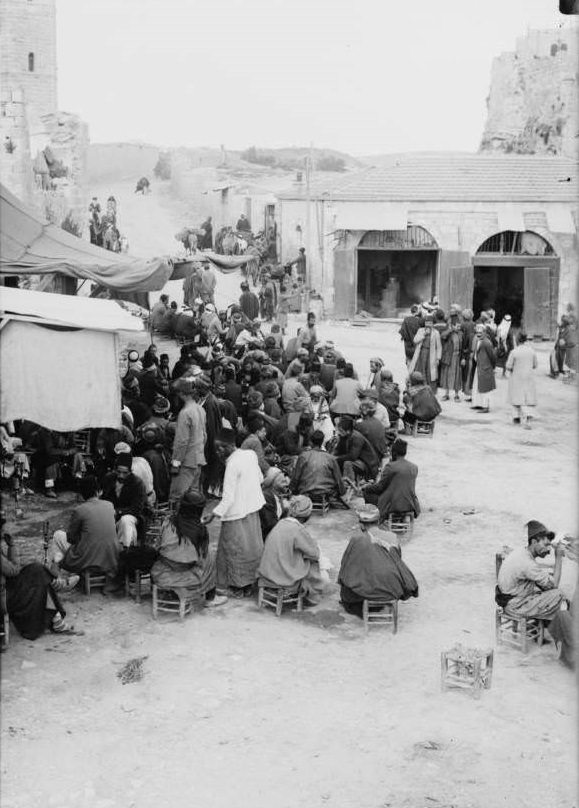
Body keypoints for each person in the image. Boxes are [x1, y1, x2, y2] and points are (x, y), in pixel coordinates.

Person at [204, 430, 265, 596]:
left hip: (236, 514)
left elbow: (228, 498)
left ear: (231, 445)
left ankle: (235, 587)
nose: (218, 452)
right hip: (252, 509)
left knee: (232, 550)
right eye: (216, 449)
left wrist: (213, 514)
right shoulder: (250, 455)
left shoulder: (231, 465)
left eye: (221, 448)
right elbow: (260, 478)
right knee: (251, 548)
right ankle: (251, 582)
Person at [1, 521, 78, 638]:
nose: (3, 532)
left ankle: (57, 618)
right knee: (37, 571)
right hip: (6, 595)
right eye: (2, 530)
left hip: (7, 588)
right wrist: (12, 545)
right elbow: (14, 570)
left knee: (39, 575)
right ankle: (57, 584)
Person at [150, 491, 227, 607]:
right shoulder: (201, 531)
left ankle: (168, 592)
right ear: (199, 510)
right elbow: (199, 557)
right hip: (187, 579)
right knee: (209, 555)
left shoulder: (168, 521)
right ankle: (210, 597)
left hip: (161, 575)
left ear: (182, 506)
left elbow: (158, 546)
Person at [338, 509, 418, 618]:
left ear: (361, 525)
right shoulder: (392, 537)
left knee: (348, 584)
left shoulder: (357, 539)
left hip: (364, 591)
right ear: (378, 521)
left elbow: (346, 565)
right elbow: (397, 560)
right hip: (391, 589)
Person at [47, 475, 119, 582]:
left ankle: (55, 576)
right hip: (111, 557)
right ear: (98, 491)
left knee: (58, 535)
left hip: (88, 559)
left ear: (81, 494)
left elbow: (71, 538)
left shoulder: (80, 510)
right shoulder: (110, 505)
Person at [257, 495, 324, 604]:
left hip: (267, 574)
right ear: (307, 514)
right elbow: (315, 553)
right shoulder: (297, 530)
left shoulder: (280, 523)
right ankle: (312, 596)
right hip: (283, 579)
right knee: (313, 562)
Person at [496, 520, 566, 621]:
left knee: (543, 589)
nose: (549, 549)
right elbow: (554, 585)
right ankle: (549, 628)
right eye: (546, 545)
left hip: (510, 598)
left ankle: (546, 625)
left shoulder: (521, 551)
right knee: (559, 595)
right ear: (534, 542)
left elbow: (533, 573)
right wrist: (558, 557)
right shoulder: (528, 564)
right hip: (515, 607)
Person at [361, 438, 420, 523]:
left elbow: (380, 488)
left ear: (394, 453)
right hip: (410, 504)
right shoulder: (414, 467)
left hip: (394, 504)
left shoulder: (391, 467)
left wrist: (368, 487)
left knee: (367, 492)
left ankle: (374, 518)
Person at [170, 378, 207, 502]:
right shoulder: (200, 409)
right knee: (193, 500)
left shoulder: (185, 413)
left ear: (181, 394)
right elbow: (204, 436)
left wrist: (176, 463)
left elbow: (182, 442)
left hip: (186, 462)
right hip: (198, 460)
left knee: (177, 499)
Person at [101, 453, 147, 548]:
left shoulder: (138, 483)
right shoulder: (109, 478)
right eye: (119, 472)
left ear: (130, 471)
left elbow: (137, 509)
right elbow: (103, 498)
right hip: (109, 515)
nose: (121, 476)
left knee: (125, 521)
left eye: (125, 473)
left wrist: (117, 512)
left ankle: (126, 550)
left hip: (131, 516)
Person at [290, 429, 346, 501]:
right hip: (326, 492)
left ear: (310, 442)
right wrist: (342, 492)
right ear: (322, 442)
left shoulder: (303, 456)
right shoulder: (330, 458)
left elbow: (296, 478)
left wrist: (292, 491)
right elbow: (338, 480)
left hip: (306, 491)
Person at [333, 416, 379, 484]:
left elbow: (352, 456)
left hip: (367, 463)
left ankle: (349, 484)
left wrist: (337, 458)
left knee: (347, 463)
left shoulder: (357, 437)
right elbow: (338, 450)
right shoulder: (343, 436)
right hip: (357, 460)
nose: (339, 432)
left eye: (341, 430)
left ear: (348, 431)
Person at [505, 333, 538, 429]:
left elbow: (508, 366)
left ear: (518, 340)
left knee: (516, 397)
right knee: (527, 398)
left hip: (517, 377)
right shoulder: (531, 351)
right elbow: (535, 365)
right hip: (528, 377)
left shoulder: (514, 352)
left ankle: (516, 417)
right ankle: (528, 417)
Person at [409, 314, 442, 392]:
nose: (428, 324)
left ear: (433, 324)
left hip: (431, 354)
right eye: (427, 322)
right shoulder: (421, 330)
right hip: (421, 353)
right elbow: (415, 340)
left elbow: (439, 346)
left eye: (430, 323)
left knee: (430, 372)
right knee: (420, 369)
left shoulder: (436, 332)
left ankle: (430, 390)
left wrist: (438, 358)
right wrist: (424, 335)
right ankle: (419, 388)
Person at [471, 324, 496, 413]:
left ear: (485, 332)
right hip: (479, 367)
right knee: (477, 386)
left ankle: (485, 406)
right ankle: (478, 404)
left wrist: (492, 367)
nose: (478, 334)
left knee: (485, 388)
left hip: (485, 368)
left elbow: (492, 356)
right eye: (477, 332)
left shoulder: (487, 342)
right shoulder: (479, 341)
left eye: (480, 332)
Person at [260, 468, 290, 539]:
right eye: (282, 482)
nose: (286, 485)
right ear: (273, 484)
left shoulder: (278, 496)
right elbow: (270, 524)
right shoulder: (266, 497)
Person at [439, 315, 463, 401]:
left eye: (460, 326)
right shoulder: (448, 333)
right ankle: (446, 394)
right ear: (452, 326)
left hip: (457, 357)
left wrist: (462, 358)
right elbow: (442, 336)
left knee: (457, 376)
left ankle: (456, 395)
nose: (459, 328)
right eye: (457, 326)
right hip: (449, 358)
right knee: (447, 375)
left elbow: (463, 348)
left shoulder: (460, 334)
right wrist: (450, 330)